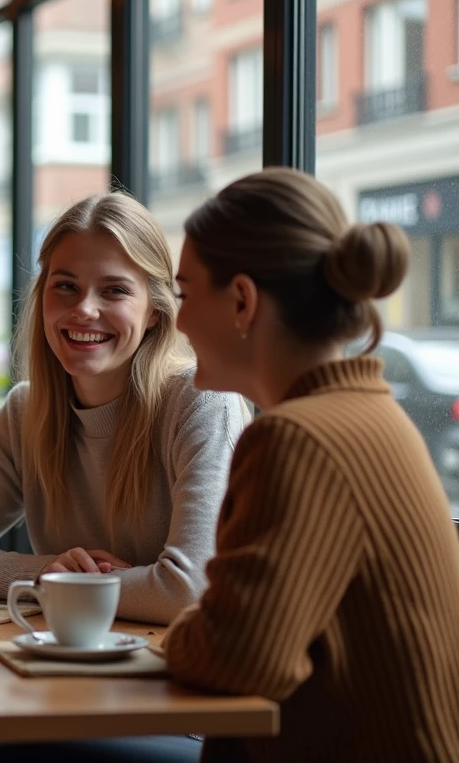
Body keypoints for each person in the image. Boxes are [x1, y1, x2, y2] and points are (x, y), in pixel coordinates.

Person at [161, 167, 459, 761]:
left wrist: (186, 631)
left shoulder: (296, 439)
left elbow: (237, 656)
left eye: (186, 293)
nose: (179, 320)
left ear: (243, 301)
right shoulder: (370, 415)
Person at [0, 192, 246, 626]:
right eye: (65, 286)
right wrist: (43, 572)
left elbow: (188, 590)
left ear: (156, 312)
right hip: (64, 663)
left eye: (115, 290)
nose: (84, 309)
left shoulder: (201, 402)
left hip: (179, 675)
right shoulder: (26, 412)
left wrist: (68, 587)